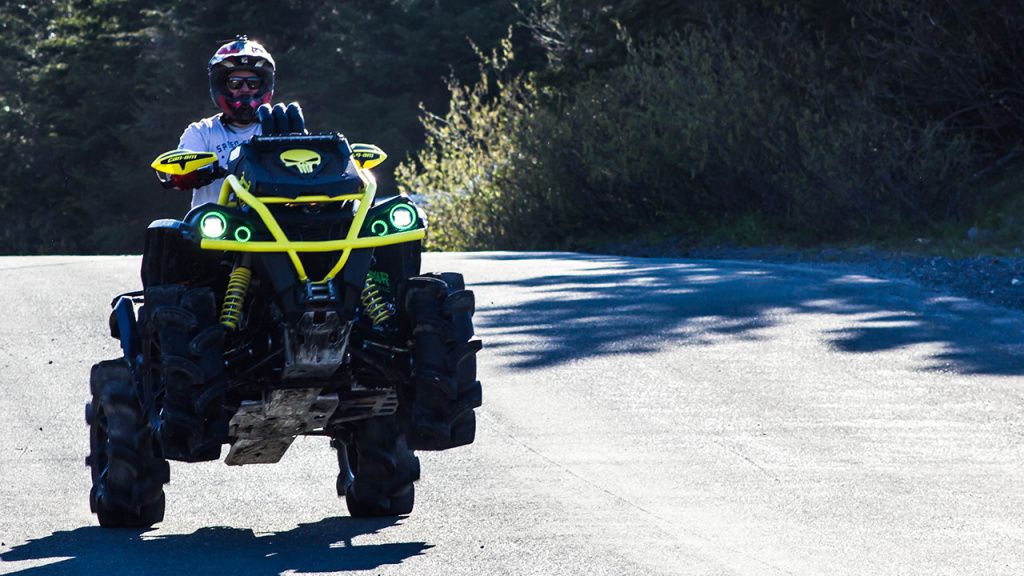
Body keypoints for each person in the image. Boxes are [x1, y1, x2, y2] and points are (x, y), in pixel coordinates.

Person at [172, 36, 275, 208]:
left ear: (263, 86)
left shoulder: (280, 128)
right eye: (235, 83)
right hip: (216, 226)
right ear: (221, 86)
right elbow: (176, 173)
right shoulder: (201, 132)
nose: (244, 90)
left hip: (272, 223)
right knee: (163, 231)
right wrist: (189, 175)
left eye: (252, 83)